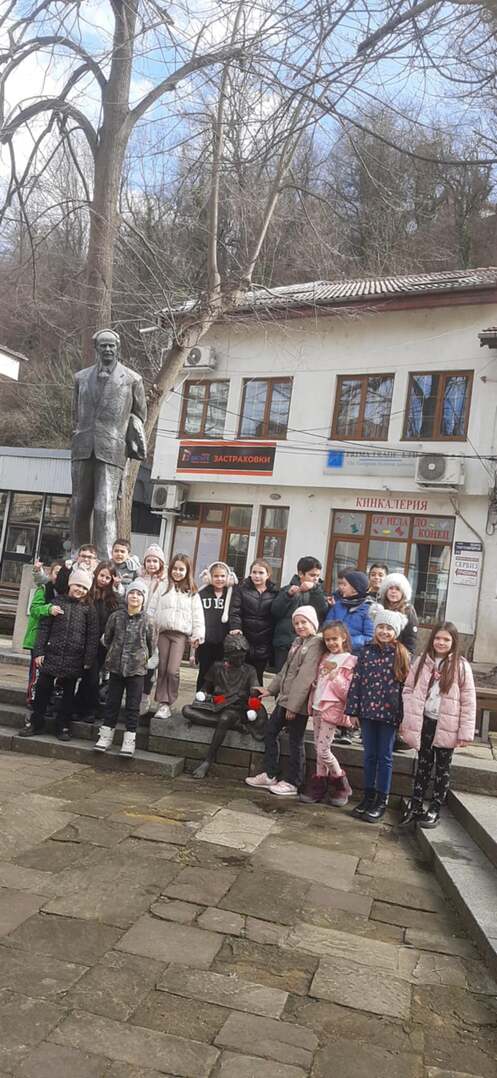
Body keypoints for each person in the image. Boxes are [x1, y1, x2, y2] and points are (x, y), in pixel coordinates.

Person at [70, 329, 147, 559]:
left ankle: (104, 558)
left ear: (118, 347)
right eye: (103, 345)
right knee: (79, 505)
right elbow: (76, 413)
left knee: (104, 506)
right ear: (96, 348)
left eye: (111, 345)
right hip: (83, 446)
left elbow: (140, 415)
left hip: (112, 449)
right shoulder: (81, 378)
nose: (107, 349)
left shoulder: (132, 379)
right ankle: (77, 554)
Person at [398, 622, 476, 829]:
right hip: (424, 721)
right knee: (423, 765)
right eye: (438, 638)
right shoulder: (422, 661)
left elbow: (468, 701)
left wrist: (465, 732)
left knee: (442, 769)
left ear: (454, 642)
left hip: (447, 725)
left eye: (446, 639)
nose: (441, 642)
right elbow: (408, 688)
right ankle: (416, 805)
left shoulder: (460, 666)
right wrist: (409, 714)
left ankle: (435, 807)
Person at [245, 606, 324, 797]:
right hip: (284, 699)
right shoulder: (298, 641)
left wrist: (293, 707)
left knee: (296, 740)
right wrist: (271, 689)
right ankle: (270, 773)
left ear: (313, 623)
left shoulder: (315, 644)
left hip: (297, 704)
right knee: (270, 731)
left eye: (304, 622)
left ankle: (293, 781)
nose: (300, 626)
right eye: (296, 623)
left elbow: (305, 679)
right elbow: (285, 670)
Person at [19, 567, 99, 741]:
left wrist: (88, 659)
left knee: (68, 696)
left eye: (84, 588)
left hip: (74, 658)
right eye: (77, 585)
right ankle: (36, 722)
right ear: (70, 584)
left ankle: (62, 725)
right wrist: (39, 652)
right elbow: (43, 629)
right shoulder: (56, 603)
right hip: (52, 655)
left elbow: (92, 637)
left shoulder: (89, 609)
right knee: (42, 690)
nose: (80, 590)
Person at [346, 610, 410, 823]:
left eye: (389, 628)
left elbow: (406, 688)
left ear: (396, 632)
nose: (384, 631)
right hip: (367, 712)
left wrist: (403, 717)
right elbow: (356, 682)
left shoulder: (401, 654)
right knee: (369, 756)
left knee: (385, 757)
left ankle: (382, 800)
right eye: (381, 627)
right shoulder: (366, 652)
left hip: (389, 715)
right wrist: (353, 711)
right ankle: (368, 796)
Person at [183, 634, 267, 778]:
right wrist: (203, 696)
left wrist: (253, 697)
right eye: (237, 657)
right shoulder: (217, 667)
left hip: (236, 708)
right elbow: (205, 688)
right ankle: (235, 726)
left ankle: (208, 760)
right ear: (228, 655)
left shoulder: (249, 670)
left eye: (243, 656)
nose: (241, 660)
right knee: (186, 710)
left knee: (226, 718)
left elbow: (254, 694)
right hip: (218, 703)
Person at [95, 579, 157, 757]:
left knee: (133, 705)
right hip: (116, 667)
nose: (135, 597)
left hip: (137, 669)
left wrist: (140, 658)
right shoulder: (116, 616)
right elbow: (107, 639)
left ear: (144, 598)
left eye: (139, 594)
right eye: (132, 593)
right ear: (126, 595)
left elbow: (151, 645)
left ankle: (129, 740)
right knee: (112, 703)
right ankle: (105, 736)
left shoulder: (148, 621)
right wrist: (115, 653)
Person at [301, 622, 357, 806]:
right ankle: (319, 784)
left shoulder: (350, 661)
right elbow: (320, 680)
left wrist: (336, 678)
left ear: (344, 638)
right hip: (317, 705)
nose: (331, 643)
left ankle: (341, 782)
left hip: (331, 710)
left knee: (323, 749)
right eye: (327, 640)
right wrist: (315, 684)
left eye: (334, 639)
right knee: (319, 749)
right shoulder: (325, 657)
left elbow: (347, 692)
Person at [323, 568, 373, 744]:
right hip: (335, 656)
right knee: (334, 690)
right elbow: (328, 625)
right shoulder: (338, 605)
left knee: (350, 692)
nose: (341, 587)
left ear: (355, 588)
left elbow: (370, 636)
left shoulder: (368, 609)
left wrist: (348, 642)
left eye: (344, 584)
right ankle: (336, 725)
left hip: (355, 658)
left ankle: (350, 728)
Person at [153, 553, 205, 719]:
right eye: (174, 568)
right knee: (162, 668)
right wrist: (149, 625)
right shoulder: (163, 586)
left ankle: (169, 700)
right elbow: (152, 607)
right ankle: (162, 702)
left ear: (187, 571)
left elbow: (198, 615)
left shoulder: (192, 592)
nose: (177, 572)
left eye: (181, 569)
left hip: (180, 635)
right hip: (163, 632)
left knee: (172, 670)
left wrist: (198, 634)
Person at [74, 560, 119, 721]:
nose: (103, 580)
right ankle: (87, 708)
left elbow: (117, 617)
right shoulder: (88, 593)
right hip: (86, 641)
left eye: (107, 578)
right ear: (96, 574)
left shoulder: (114, 598)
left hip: (102, 644)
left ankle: (84, 708)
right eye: (102, 575)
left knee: (92, 677)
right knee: (90, 677)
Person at [271, 556, 328, 671]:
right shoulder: (286, 590)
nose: (315, 579)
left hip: (309, 644)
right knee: (282, 674)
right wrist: (288, 596)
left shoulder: (319, 592)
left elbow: (322, 611)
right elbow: (275, 612)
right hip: (286, 643)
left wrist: (315, 590)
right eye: (312, 575)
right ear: (301, 574)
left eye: (317, 576)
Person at [229, 559, 278, 683]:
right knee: (240, 677)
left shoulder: (274, 593)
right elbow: (235, 611)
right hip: (244, 640)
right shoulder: (241, 590)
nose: (257, 576)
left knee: (257, 677)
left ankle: (255, 696)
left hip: (264, 642)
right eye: (254, 572)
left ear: (268, 575)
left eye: (261, 573)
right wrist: (236, 627)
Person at [23, 562, 64, 705]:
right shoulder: (44, 589)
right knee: (37, 672)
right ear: (50, 574)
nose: (59, 576)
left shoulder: (66, 592)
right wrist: (48, 609)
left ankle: (47, 700)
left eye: (62, 573)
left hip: (54, 639)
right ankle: (33, 699)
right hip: (38, 637)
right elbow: (34, 609)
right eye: (56, 573)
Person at [196, 562, 237, 690]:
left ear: (228, 577)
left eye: (222, 576)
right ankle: (201, 696)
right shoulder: (202, 593)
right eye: (216, 576)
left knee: (221, 673)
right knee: (204, 671)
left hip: (224, 642)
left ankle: (217, 699)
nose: (219, 579)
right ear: (209, 577)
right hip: (205, 641)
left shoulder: (232, 594)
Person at [138, 543, 168, 714]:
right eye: (148, 561)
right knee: (139, 662)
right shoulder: (139, 580)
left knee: (151, 663)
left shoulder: (166, 582)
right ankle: (136, 695)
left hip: (156, 628)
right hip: (139, 627)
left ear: (161, 563)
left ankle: (145, 695)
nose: (151, 564)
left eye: (155, 561)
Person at [373, 572, 419, 655]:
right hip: (376, 653)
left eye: (398, 589)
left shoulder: (408, 611)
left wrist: (406, 657)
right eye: (390, 588)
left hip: (398, 655)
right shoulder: (379, 607)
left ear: (403, 593)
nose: (393, 591)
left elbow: (411, 639)